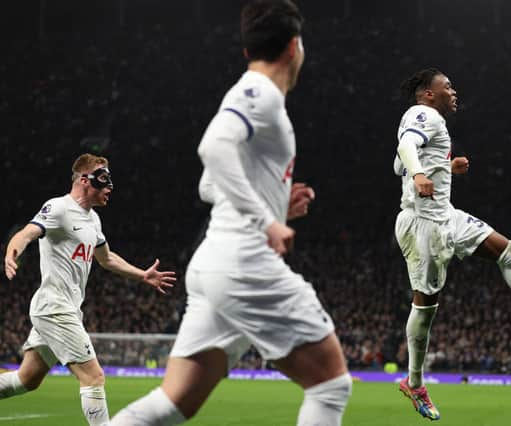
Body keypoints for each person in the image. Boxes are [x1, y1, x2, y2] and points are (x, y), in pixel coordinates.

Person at [110, 1, 351, 425]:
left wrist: (274, 202)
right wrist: (268, 220)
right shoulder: (258, 92)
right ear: (295, 47)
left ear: (246, 50)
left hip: (215, 265)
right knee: (330, 385)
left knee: (173, 403)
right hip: (245, 263)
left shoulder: (251, 93)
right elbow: (213, 147)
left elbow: (209, 184)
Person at [393, 68, 511, 420]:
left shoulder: (430, 121)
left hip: (445, 216)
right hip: (423, 224)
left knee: (506, 249)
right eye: (446, 86)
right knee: (425, 306)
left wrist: (443, 166)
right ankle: (415, 381)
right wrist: (422, 174)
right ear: (428, 94)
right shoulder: (423, 115)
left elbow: (400, 166)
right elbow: (405, 148)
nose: (453, 91)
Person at [0, 153, 176, 425]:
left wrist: (143, 275)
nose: (110, 188)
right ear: (84, 180)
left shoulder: (93, 220)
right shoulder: (58, 208)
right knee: (93, 377)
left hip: (66, 308)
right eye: (103, 180)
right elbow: (27, 233)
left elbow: (107, 259)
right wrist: (12, 252)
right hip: (55, 308)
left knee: (27, 380)